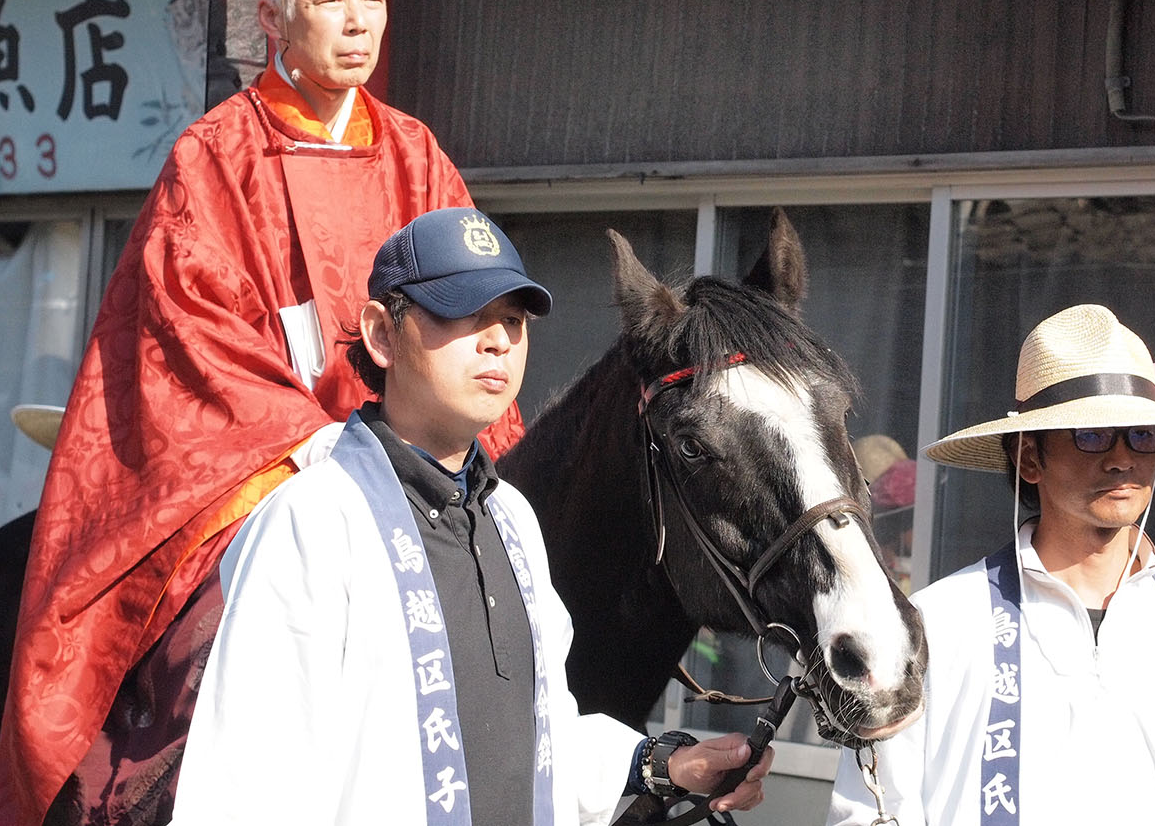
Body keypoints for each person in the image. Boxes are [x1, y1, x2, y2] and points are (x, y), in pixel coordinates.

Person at [0, 0, 523, 826]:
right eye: (331, 3)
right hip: (271, 465)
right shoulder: (212, 154)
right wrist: (320, 448)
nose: (358, 24)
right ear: (276, 22)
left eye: (373, 3)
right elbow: (188, 330)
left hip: (411, 458)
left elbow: (477, 304)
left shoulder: (415, 153)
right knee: (196, 637)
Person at [170, 207, 774, 824]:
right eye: (465, 313)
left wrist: (665, 763)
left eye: (513, 321)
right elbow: (243, 782)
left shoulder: (511, 517)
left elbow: (536, 741)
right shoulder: (313, 518)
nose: (499, 341)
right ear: (381, 334)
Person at [827, 303, 1155, 826]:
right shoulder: (937, 625)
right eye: (1091, 435)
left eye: (1142, 434)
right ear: (1029, 458)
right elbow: (873, 811)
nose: (1122, 459)